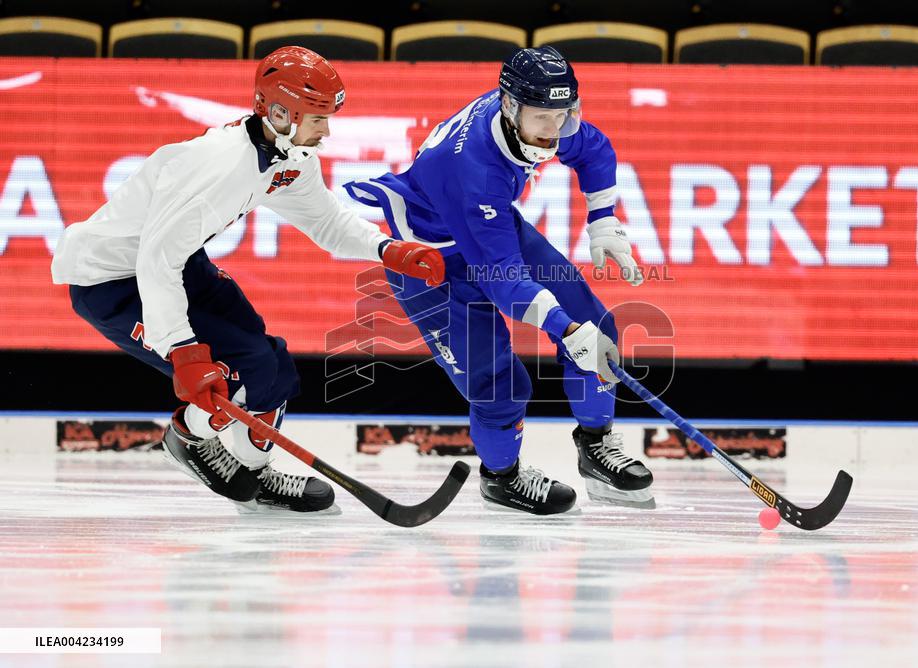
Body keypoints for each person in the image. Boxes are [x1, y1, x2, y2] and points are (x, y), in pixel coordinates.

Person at [51, 46, 445, 514]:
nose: (327, 129)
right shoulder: (217, 166)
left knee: (272, 366)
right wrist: (183, 350)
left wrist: (387, 249)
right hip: (111, 283)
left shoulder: (291, 154)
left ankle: (255, 476)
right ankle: (189, 436)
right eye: (317, 118)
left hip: (179, 264)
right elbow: (157, 261)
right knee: (228, 374)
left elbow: (326, 223)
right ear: (280, 112)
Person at [345, 46, 653, 515]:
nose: (553, 133)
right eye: (543, 120)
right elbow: (506, 284)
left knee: (598, 324)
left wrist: (603, 221)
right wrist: (566, 332)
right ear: (509, 106)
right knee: (499, 384)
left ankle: (596, 446)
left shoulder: (537, 115)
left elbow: (593, 149)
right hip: (432, 262)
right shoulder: (474, 169)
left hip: (489, 232)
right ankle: (502, 478)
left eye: (563, 115)